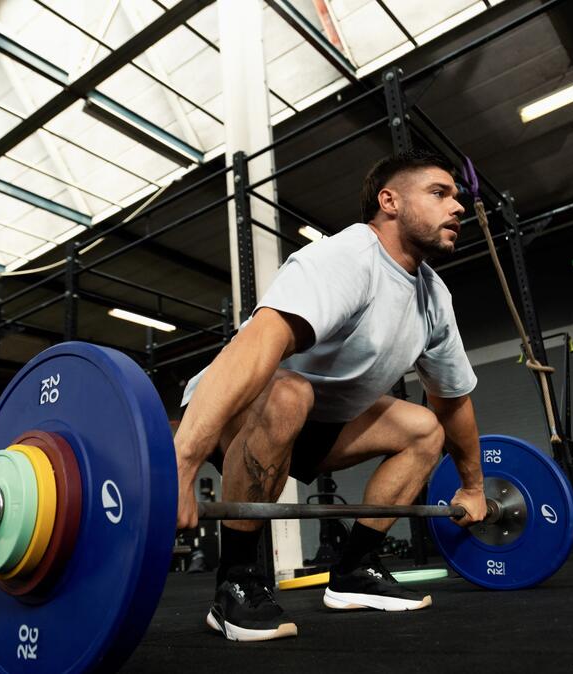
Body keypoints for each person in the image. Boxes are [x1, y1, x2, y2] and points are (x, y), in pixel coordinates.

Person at [174, 149, 487, 642]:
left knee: (426, 429)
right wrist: (183, 461)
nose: (459, 207)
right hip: (235, 410)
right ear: (390, 202)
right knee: (290, 392)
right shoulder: (348, 258)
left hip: (317, 425)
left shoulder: (433, 296)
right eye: (439, 193)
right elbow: (258, 343)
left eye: (455, 196)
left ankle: (354, 570)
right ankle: (235, 580)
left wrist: (473, 486)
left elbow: (451, 401)